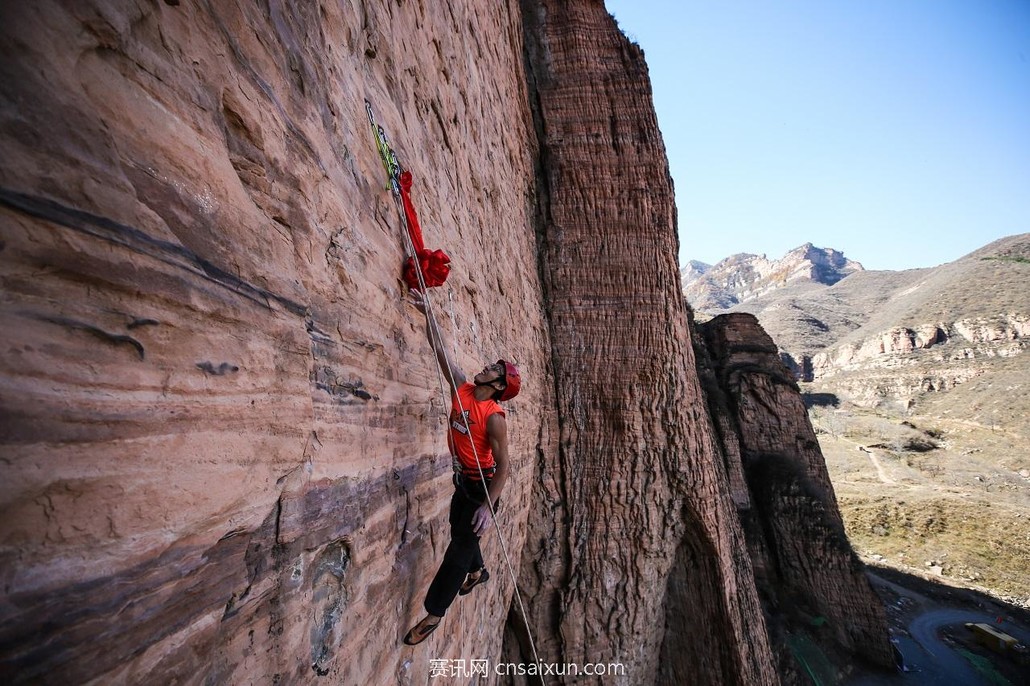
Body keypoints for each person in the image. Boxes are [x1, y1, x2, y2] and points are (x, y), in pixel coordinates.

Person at [403, 289, 521, 646]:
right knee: (462, 533)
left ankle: (434, 613)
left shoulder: (493, 417)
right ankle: (478, 571)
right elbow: (441, 351)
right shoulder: (464, 389)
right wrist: (428, 313)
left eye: (493, 370)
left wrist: (488, 507)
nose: (485, 367)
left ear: (498, 386)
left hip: (483, 487)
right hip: (464, 482)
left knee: (458, 548)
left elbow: (504, 466)